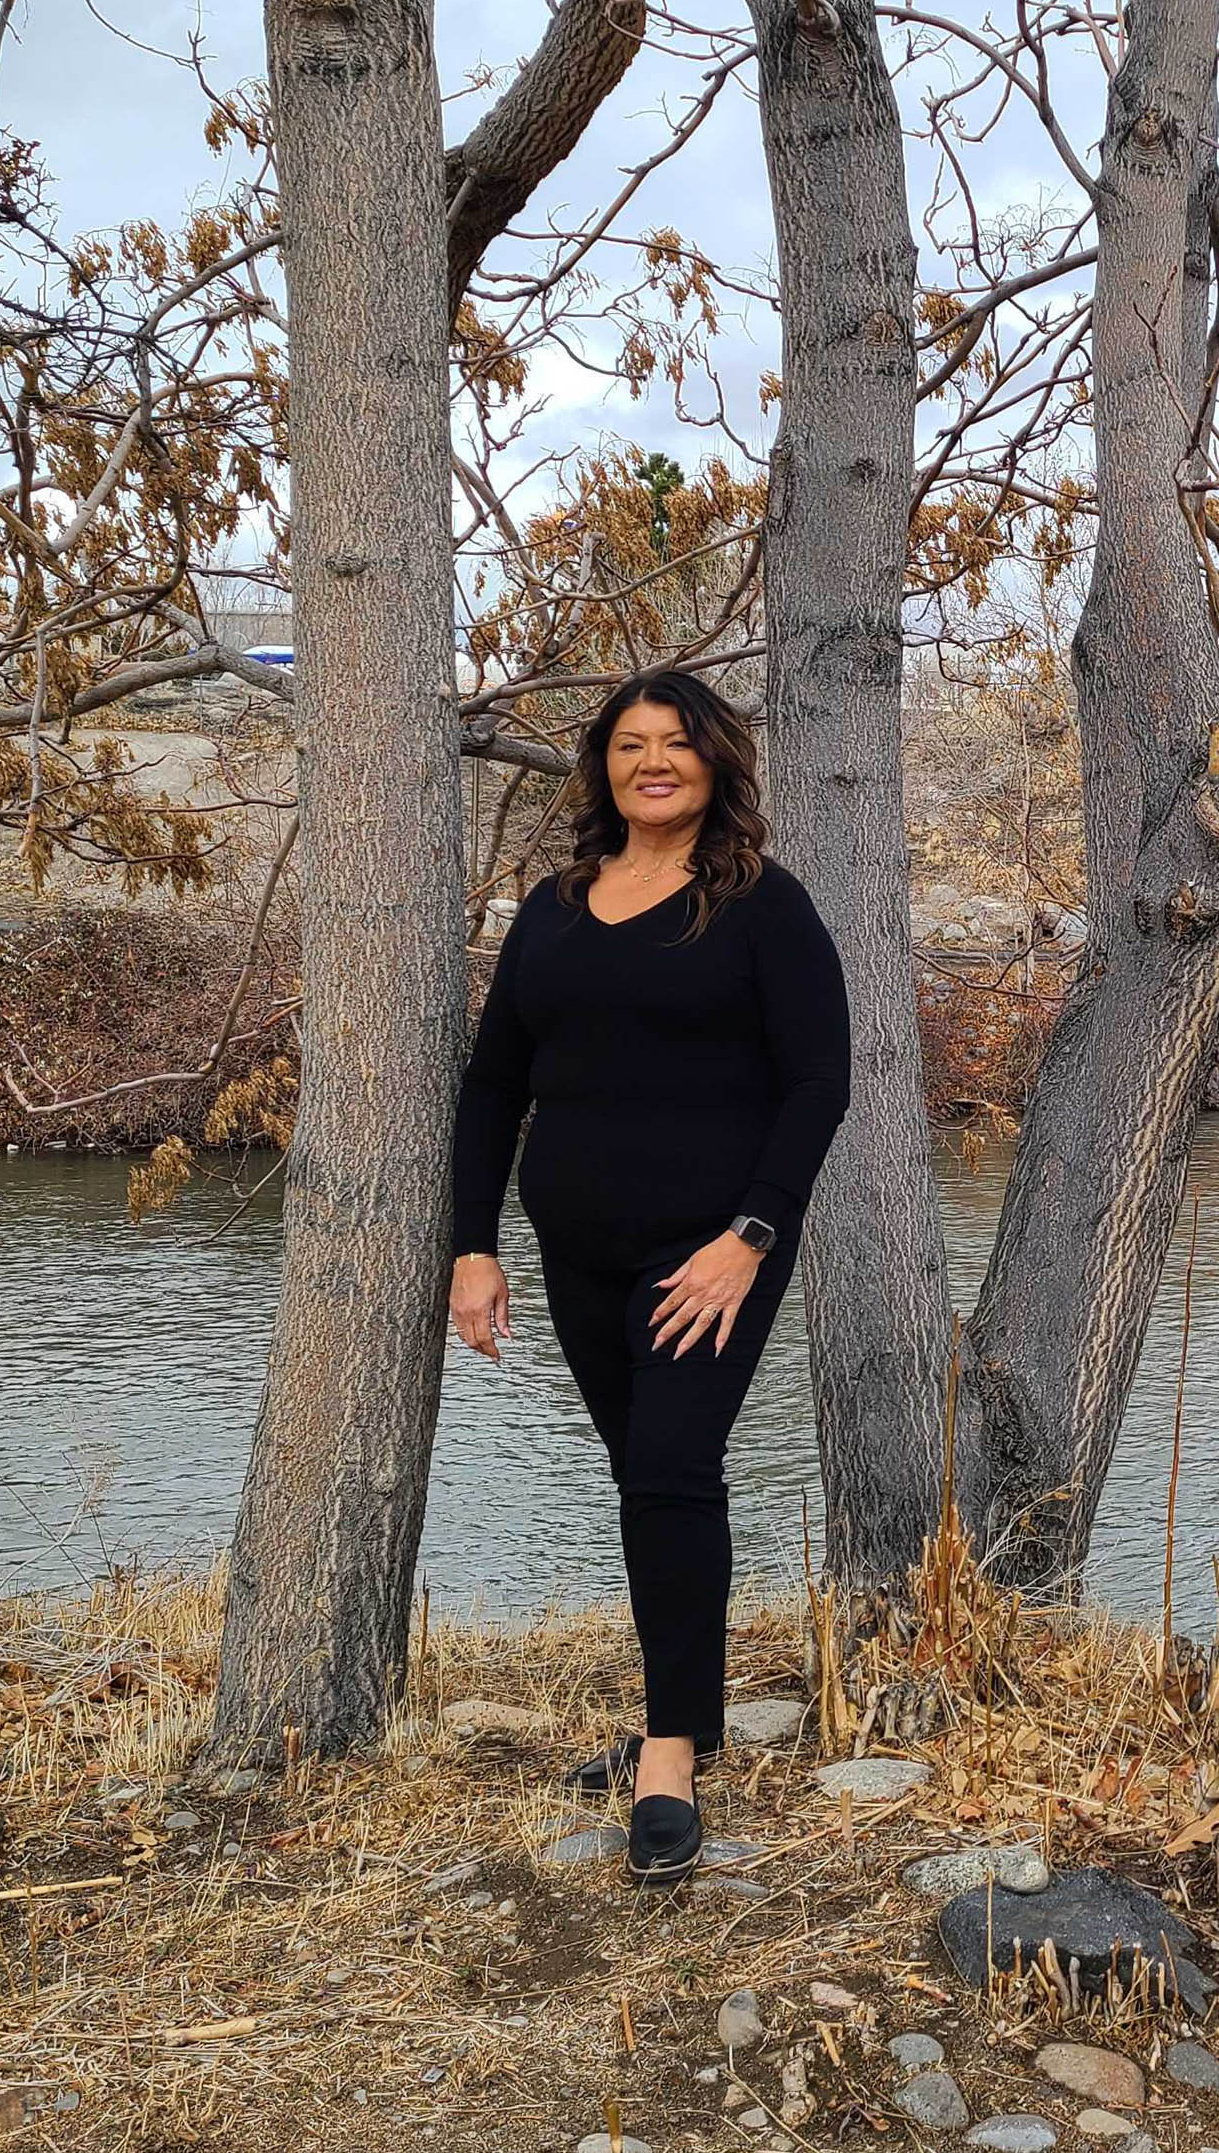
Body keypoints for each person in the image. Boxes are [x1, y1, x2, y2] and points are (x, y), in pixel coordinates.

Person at [444, 665, 849, 1882]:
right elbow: (491, 1087)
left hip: (711, 1255)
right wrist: (475, 1244)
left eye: (676, 742)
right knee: (645, 1480)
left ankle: (669, 1758)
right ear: (602, 768)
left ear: (716, 762)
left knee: (672, 1469)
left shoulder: (763, 907)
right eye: (630, 744)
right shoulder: (553, 908)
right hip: (577, 1247)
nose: (652, 760)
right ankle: (692, 1704)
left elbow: (819, 1081)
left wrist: (752, 1237)